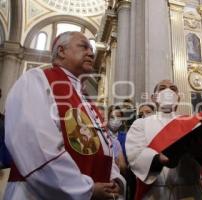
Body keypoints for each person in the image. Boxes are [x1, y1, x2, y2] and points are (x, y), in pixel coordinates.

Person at [4, 31, 125, 200]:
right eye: (84, 47)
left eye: (91, 49)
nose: (91, 53)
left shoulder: (87, 101)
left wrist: (115, 180)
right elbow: (37, 147)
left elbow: (106, 148)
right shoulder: (36, 80)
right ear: (61, 51)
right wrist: (85, 189)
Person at [125, 79, 202, 200]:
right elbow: (134, 155)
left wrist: (200, 153)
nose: (168, 91)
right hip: (155, 194)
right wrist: (158, 160)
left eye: (173, 89)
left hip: (189, 193)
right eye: (162, 88)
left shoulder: (193, 123)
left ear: (178, 97)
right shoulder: (141, 124)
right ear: (153, 97)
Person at [107, 105, 127, 175]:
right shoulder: (103, 135)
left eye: (118, 117)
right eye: (112, 117)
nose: (115, 120)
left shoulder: (126, 138)